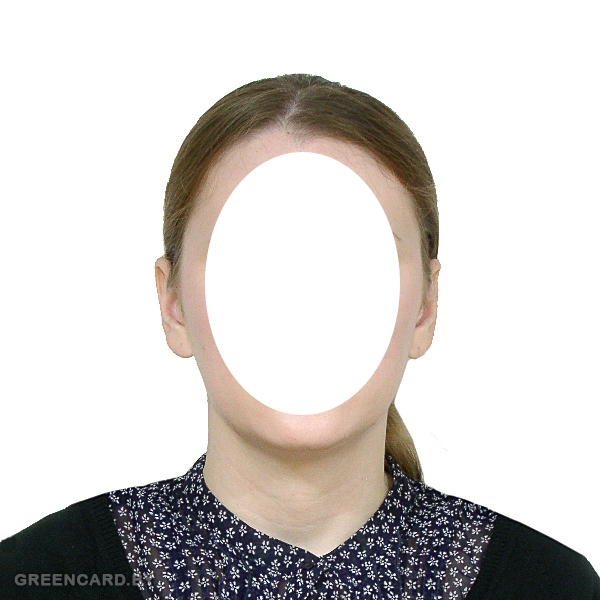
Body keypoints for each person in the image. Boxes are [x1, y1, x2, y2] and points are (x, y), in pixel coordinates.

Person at [1, 73, 598, 600]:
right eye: (252, 256)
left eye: (355, 258)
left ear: (425, 306)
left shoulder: (551, 587)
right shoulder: (33, 577)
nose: (304, 302)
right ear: (173, 303)